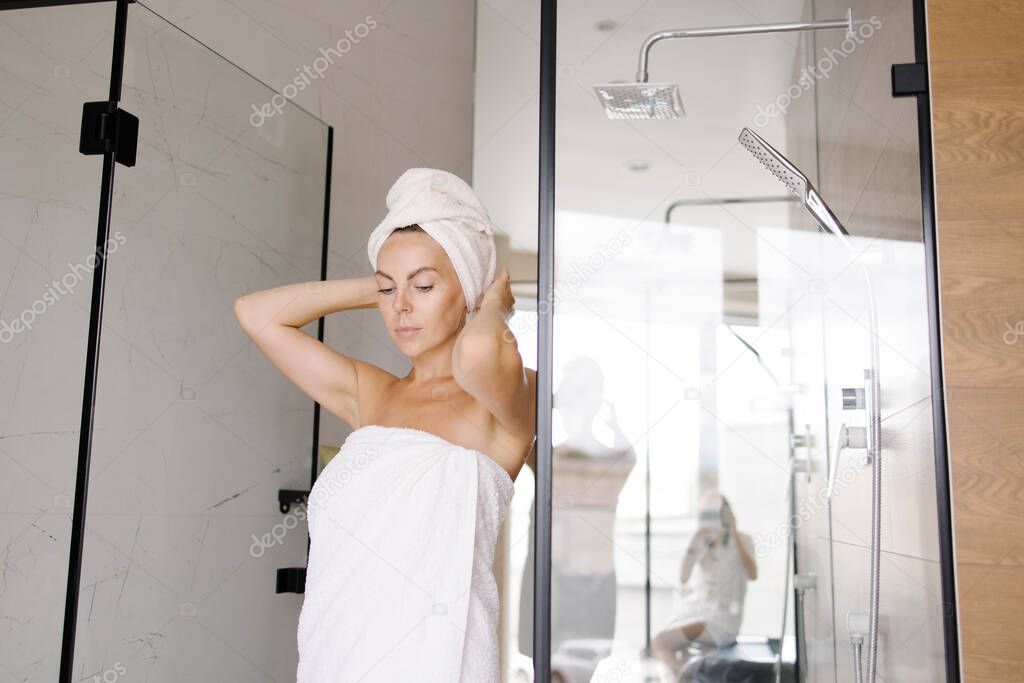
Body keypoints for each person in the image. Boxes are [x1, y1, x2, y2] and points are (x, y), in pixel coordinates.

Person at [234, 167, 537, 682]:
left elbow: (479, 352)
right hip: (339, 659)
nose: (400, 307)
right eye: (387, 290)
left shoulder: (506, 403)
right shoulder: (371, 394)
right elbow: (256, 314)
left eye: (423, 285)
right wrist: (380, 284)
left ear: (467, 290)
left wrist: (492, 304)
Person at [645, 492, 757, 680]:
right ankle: (679, 677)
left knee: (660, 641)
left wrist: (734, 531)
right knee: (647, 649)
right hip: (698, 613)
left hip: (721, 621)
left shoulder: (743, 540)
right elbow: (683, 577)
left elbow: (753, 574)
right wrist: (695, 540)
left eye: (715, 514)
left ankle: (677, 680)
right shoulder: (704, 541)